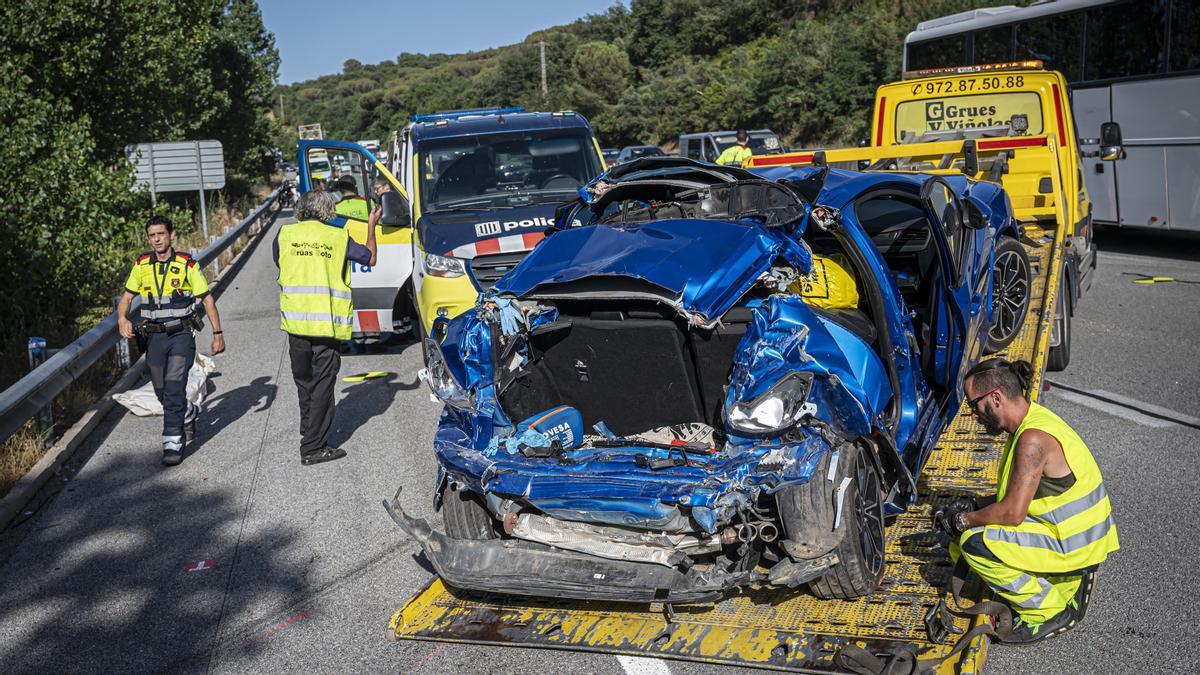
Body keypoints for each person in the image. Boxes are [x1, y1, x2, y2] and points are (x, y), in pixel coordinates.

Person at [934, 358, 1119, 643]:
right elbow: (1021, 494)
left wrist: (963, 519)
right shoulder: (1033, 421)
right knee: (965, 538)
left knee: (974, 542)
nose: (973, 415)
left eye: (973, 405)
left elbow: (1012, 513)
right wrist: (974, 504)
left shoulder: (1031, 440)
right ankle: (1042, 585)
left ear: (995, 397)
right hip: (1073, 536)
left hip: (1073, 546)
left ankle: (1047, 610)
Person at [274, 190, 378, 465]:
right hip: (326, 325)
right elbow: (370, 259)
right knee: (322, 385)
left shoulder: (284, 235)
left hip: (296, 324)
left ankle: (308, 427)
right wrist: (371, 226)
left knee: (304, 381)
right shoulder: (337, 237)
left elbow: (281, 262)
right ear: (328, 211)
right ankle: (313, 447)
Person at [117, 215, 225, 466]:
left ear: (171, 235)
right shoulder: (142, 264)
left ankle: (172, 440)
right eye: (152, 236)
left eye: (161, 234)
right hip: (154, 336)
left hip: (180, 335)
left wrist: (218, 334)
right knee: (161, 389)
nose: (156, 240)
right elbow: (126, 298)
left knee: (174, 384)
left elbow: (207, 299)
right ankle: (187, 411)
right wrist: (122, 319)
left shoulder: (186, 264)